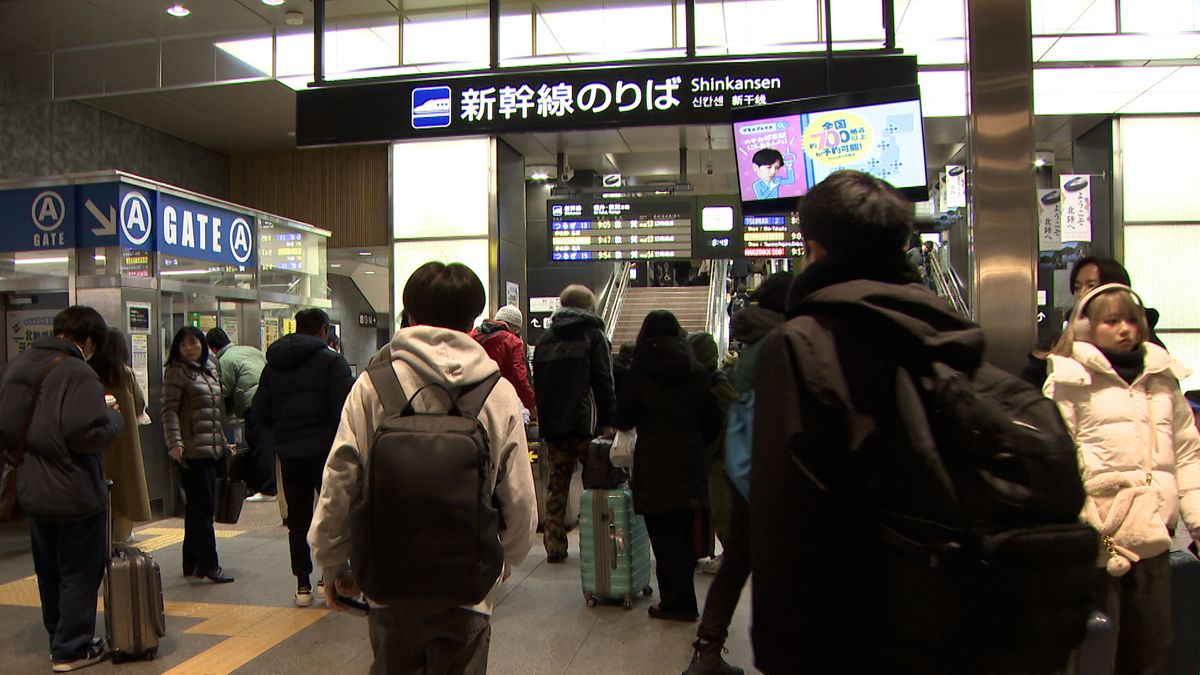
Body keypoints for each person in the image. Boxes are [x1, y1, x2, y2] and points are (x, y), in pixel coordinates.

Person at [752, 171, 981, 672]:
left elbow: (788, 511)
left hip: (851, 625)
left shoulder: (801, 344)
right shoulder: (951, 330)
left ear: (813, 248)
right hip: (950, 611)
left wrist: (779, 648)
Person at [309, 262, 536, 674]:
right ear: (472, 320)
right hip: (467, 585)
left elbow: (340, 477)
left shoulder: (373, 385)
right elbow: (519, 497)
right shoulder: (496, 390)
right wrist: (504, 562)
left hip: (389, 580)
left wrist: (332, 562)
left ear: (409, 315)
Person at [1043, 283, 1200, 674]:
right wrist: (1081, 518)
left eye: (1132, 320)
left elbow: (1187, 455)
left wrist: (1198, 522)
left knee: (1151, 643)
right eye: (1111, 321)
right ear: (1087, 327)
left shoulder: (1163, 380)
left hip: (1155, 532)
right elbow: (1061, 454)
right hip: (1099, 534)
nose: (1125, 329)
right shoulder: (1070, 381)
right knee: (1097, 645)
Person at [0, 306, 121, 672]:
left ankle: (59, 636)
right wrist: (112, 417)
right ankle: (72, 648)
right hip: (73, 490)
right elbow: (84, 434)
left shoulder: (16, 366)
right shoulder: (78, 372)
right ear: (86, 340)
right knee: (79, 569)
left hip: (32, 488)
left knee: (49, 568)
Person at [684, 273, 788, 675]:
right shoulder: (781, 346)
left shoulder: (753, 350)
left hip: (744, 474)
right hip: (767, 479)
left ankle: (707, 651)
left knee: (737, 564)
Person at [614, 310, 720, 622]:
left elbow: (623, 418)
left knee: (663, 532)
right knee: (686, 530)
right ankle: (682, 596)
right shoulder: (696, 371)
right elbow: (714, 420)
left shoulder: (639, 371)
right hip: (689, 457)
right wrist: (697, 442)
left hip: (655, 459)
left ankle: (678, 602)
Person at [253, 308, 353, 607]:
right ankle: (328, 577)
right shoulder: (332, 362)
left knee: (297, 519)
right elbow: (344, 411)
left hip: (289, 451)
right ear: (324, 330)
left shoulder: (274, 365)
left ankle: (302, 585)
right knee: (330, 513)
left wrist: (283, 433)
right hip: (326, 452)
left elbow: (260, 411)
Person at [532, 284, 615, 563]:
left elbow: (539, 385)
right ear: (588, 307)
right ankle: (601, 541)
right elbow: (603, 380)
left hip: (554, 423)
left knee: (557, 483)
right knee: (599, 482)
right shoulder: (592, 334)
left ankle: (555, 546)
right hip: (584, 423)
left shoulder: (545, 339)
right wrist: (607, 420)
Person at [1021, 255, 1166, 388]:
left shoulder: (1150, 349)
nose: (1082, 293)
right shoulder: (1056, 344)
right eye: (1077, 287)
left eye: (1091, 285)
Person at [163, 326, 235, 585]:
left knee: (196, 508)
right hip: (191, 450)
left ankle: (191, 562)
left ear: (203, 344)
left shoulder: (209, 370)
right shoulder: (176, 371)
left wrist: (223, 442)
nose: (188, 348)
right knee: (203, 509)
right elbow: (169, 411)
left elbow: (214, 412)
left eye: (193, 342)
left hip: (211, 449)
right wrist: (175, 442)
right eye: (182, 344)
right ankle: (209, 564)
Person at [90, 328, 150, 544]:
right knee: (126, 491)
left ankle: (100, 539)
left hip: (97, 442)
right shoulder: (125, 374)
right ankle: (120, 540)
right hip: (125, 442)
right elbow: (139, 404)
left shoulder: (87, 373)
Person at [686, 331, 738, 574]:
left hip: (722, 458)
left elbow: (724, 424)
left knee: (722, 507)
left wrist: (708, 452)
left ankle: (732, 557)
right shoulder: (712, 380)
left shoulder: (716, 384)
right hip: (721, 456)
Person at [204, 328, 273, 502]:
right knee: (267, 445)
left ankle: (267, 489)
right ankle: (267, 486)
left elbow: (224, 390)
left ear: (212, 348)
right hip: (270, 398)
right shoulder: (251, 350)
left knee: (259, 445)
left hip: (252, 403)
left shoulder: (224, 360)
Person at [470, 305, 537, 421]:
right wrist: (531, 405)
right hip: (500, 401)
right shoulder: (513, 342)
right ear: (513, 326)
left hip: (473, 400)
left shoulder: (473, 335)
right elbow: (520, 378)